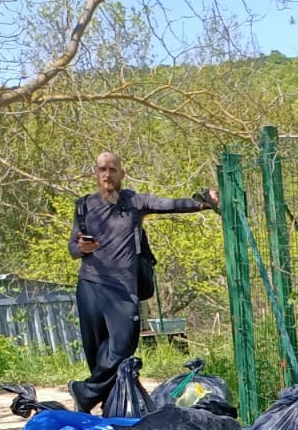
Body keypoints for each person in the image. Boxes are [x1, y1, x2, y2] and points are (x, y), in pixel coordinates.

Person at [68, 151, 220, 412]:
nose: (107, 175)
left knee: (121, 348)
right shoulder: (84, 206)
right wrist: (82, 247)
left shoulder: (134, 202)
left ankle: (84, 393)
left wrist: (204, 203)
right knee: (96, 354)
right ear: (95, 173)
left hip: (123, 290)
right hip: (90, 285)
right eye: (102, 169)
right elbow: (72, 248)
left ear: (121, 174)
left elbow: (170, 204)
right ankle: (110, 405)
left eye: (113, 169)